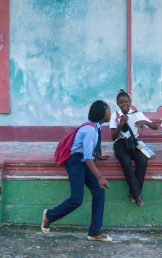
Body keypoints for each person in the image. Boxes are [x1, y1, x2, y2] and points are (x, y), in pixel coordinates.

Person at [42, 100, 112, 241]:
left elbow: (86, 151)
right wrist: (99, 177)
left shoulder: (96, 127)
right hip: (76, 163)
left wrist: (97, 155)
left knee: (99, 192)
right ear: (103, 114)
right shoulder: (90, 129)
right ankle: (49, 216)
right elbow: (86, 158)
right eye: (109, 110)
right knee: (76, 200)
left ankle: (94, 232)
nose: (110, 113)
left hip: (84, 161)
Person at [110, 89, 158, 207]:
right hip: (120, 143)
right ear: (117, 103)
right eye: (121, 102)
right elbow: (113, 137)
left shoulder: (137, 114)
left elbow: (155, 127)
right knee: (126, 161)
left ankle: (133, 192)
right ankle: (138, 195)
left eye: (126, 101)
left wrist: (145, 122)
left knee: (142, 160)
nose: (124, 104)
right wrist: (120, 124)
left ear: (130, 102)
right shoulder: (115, 115)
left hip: (134, 142)